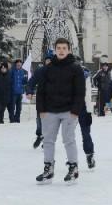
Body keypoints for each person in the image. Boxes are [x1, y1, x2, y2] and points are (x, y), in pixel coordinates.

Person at [35, 38, 85, 185]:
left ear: (69, 50)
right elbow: (41, 90)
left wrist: (75, 110)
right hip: (50, 111)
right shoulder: (48, 68)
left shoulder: (76, 68)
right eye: (59, 48)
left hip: (69, 111)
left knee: (68, 139)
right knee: (48, 140)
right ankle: (48, 169)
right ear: (55, 50)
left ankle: (73, 167)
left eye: (64, 48)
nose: (61, 50)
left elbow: (80, 92)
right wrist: (41, 110)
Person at [27, 50, 53, 148]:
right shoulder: (40, 71)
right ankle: (40, 135)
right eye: (47, 60)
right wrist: (29, 91)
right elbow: (31, 82)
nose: (49, 62)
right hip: (41, 99)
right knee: (40, 119)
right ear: (44, 61)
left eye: (51, 60)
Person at [80, 66, 96, 169]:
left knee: (86, 133)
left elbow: (88, 95)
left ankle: (89, 155)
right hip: (69, 108)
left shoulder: (85, 76)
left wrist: (89, 111)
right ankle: (71, 160)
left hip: (83, 108)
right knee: (68, 136)